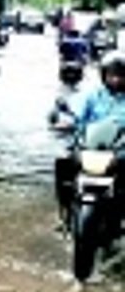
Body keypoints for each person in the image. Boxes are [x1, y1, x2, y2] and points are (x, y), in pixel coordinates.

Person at [52, 50, 125, 224]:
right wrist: (64, 120)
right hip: (90, 145)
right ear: (103, 75)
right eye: (111, 75)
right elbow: (73, 111)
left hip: (119, 149)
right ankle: (65, 210)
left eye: (121, 76)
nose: (116, 80)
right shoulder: (92, 95)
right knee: (62, 161)